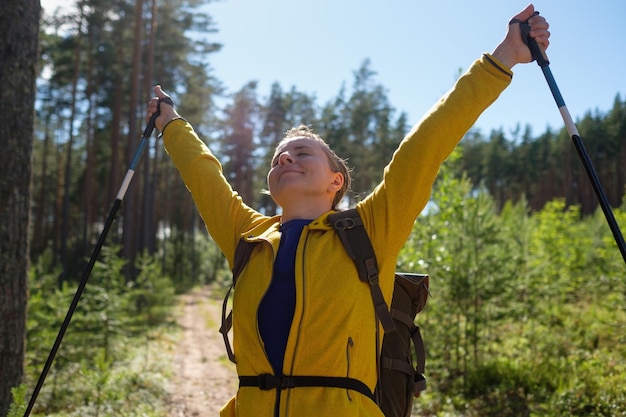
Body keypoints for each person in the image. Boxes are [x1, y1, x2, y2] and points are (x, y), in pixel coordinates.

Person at [147, 4, 550, 416]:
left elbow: (426, 144)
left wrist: (504, 58)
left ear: (336, 181)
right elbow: (204, 177)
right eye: (277, 159)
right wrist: (171, 123)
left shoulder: (371, 229)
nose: (284, 160)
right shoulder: (247, 236)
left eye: (301, 153)